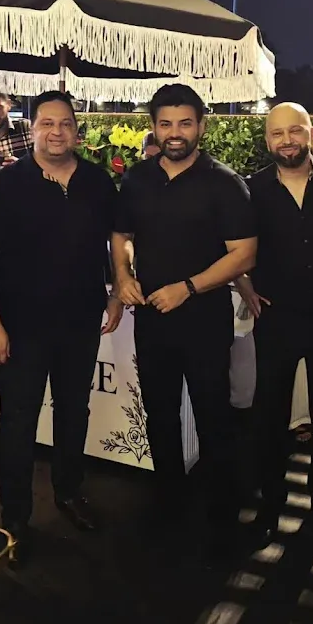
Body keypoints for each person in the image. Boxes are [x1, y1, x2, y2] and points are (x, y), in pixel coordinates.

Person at [0, 91, 122, 556]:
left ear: (77, 130)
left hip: (80, 321)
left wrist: (118, 289)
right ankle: (14, 521)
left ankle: (69, 492)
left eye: (66, 123)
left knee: (75, 411)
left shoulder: (97, 182)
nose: (57, 131)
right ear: (32, 128)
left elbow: (116, 239)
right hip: (21, 325)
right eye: (47, 123)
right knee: (17, 422)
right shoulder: (4, 185)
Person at [112, 84, 257, 564]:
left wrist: (189, 288)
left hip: (204, 321)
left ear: (201, 126)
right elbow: (121, 234)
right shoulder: (137, 179)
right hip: (152, 319)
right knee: (159, 412)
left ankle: (221, 514)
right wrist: (123, 275)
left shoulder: (225, 183)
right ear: (154, 127)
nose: (175, 133)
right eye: (166, 123)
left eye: (185, 123)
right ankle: (168, 499)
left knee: (214, 416)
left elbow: (244, 254)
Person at [239, 103, 313, 549]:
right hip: (276, 318)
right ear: (267, 140)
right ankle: (270, 505)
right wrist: (244, 283)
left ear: (312, 135)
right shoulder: (250, 190)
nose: (287, 140)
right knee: (270, 416)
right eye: (277, 133)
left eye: (295, 131)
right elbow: (231, 246)